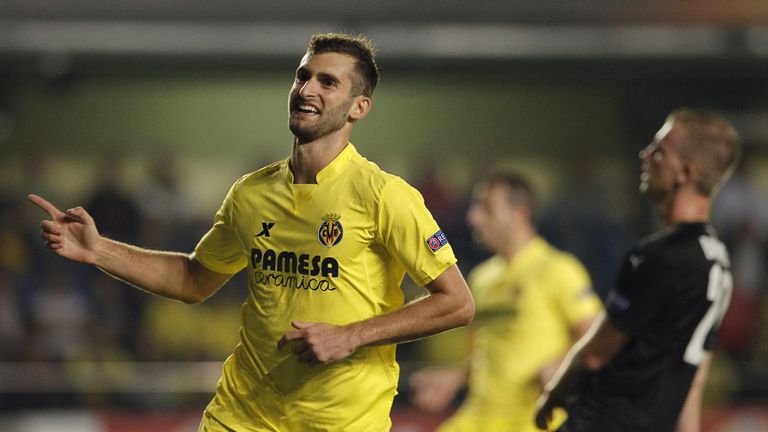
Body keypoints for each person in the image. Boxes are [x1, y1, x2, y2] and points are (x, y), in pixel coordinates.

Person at [29, 32, 475, 432]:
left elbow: (456, 303)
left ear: (359, 107)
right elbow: (193, 279)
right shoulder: (251, 193)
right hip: (241, 415)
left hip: (338, 421)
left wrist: (350, 335)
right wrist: (101, 250)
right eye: (303, 76)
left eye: (328, 82)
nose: (307, 89)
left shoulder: (385, 195)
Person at [535, 108, 741, 432]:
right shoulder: (719, 262)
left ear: (685, 173)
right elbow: (693, 373)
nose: (645, 155)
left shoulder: (657, 256)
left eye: (660, 150)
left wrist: (553, 394)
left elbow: (595, 354)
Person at [409, 171, 601, 432]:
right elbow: (489, 351)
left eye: (485, 208)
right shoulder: (481, 278)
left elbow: (594, 336)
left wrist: (562, 363)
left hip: (532, 419)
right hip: (477, 416)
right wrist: (457, 376)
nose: (473, 217)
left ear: (519, 213)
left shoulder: (558, 270)